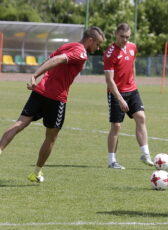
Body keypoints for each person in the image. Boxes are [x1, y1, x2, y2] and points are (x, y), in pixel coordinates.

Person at [0, 26, 105, 183]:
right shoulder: (81, 52)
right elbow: (57, 60)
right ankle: (36, 172)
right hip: (56, 98)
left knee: (20, 123)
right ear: (90, 40)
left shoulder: (67, 45)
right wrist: (35, 74)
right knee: (51, 137)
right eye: (97, 44)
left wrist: (37, 77)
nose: (97, 48)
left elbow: (50, 59)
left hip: (40, 91)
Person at [103, 23, 153, 170]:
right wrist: (120, 98)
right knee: (116, 126)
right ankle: (112, 161)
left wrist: (133, 83)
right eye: (122, 37)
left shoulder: (133, 47)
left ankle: (145, 154)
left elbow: (132, 65)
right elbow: (109, 80)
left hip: (132, 90)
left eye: (127, 37)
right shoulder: (110, 53)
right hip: (116, 92)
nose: (125, 40)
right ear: (116, 34)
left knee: (141, 117)